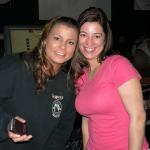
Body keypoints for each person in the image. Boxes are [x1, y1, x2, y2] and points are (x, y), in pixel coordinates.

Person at [71, 7, 149, 149]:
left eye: (96, 36)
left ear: (105, 38)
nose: (89, 42)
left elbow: (138, 117)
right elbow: (86, 120)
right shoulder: (81, 75)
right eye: (83, 35)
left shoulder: (117, 65)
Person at [0, 16, 79, 150]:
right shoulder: (15, 67)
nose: (63, 46)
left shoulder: (67, 84)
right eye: (57, 38)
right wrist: (6, 124)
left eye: (70, 42)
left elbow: (62, 129)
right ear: (45, 38)